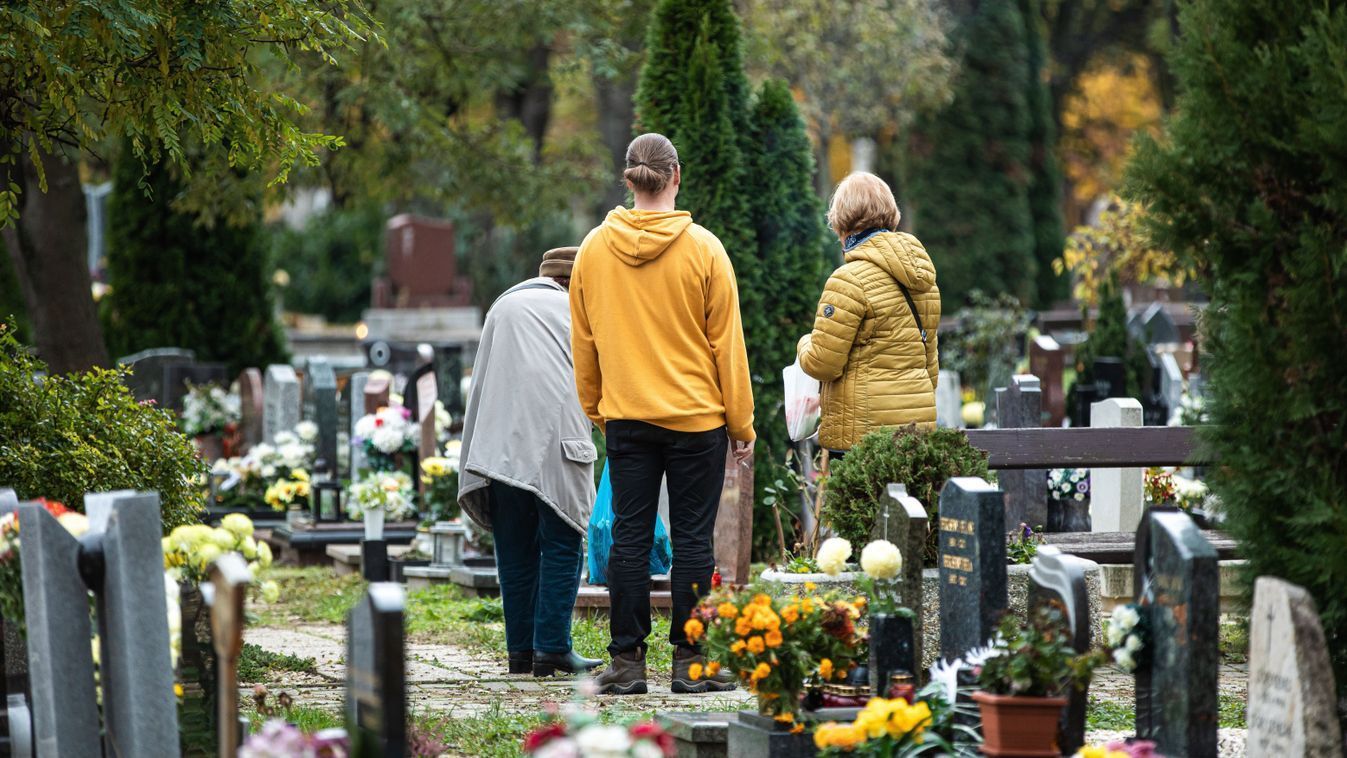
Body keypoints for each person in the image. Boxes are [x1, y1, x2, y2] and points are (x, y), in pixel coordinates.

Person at [570, 133, 754, 695]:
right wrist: (741, 425)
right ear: (676, 176)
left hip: (628, 416)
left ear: (629, 180)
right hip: (698, 419)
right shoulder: (704, 249)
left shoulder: (593, 252)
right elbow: (728, 345)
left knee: (629, 537)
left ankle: (626, 664)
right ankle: (690, 663)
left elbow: (585, 344)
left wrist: (598, 410)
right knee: (694, 542)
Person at [458, 247, 602, 678]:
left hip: (500, 446)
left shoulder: (504, 306)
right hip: (559, 444)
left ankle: (520, 653)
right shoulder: (577, 309)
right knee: (562, 541)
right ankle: (553, 649)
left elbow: (482, 380)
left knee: (515, 550)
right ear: (576, 281)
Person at [797, 172, 941, 454]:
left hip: (863, 438)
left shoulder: (848, 280)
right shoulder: (925, 279)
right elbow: (930, 367)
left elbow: (822, 364)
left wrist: (804, 343)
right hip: (917, 433)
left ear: (841, 221)